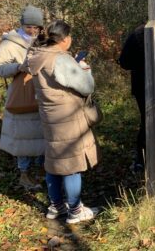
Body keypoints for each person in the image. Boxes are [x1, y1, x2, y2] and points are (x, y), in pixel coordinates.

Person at [26, 20, 100, 224]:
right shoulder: (60, 60)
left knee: (54, 162)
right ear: (65, 39)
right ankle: (75, 210)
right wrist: (84, 68)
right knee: (71, 165)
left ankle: (56, 205)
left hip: (50, 116)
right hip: (68, 117)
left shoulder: (37, 56)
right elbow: (86, 87)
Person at [0, 5, 46, 190]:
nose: (32, 30)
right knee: (23, 138)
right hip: (21, 97)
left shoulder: (43, 41)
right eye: (29, 26)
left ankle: (41, 173)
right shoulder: (10, 43)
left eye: (36, 27)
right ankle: (24, 175)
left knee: (41, 136)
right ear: (22, 24)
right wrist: (17, 68)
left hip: (42, 95)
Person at [118, 24, 146, 173]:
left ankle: (141, 160)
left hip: (142, 85)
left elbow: (124, 62)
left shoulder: (138, 33)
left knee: (146, 122)